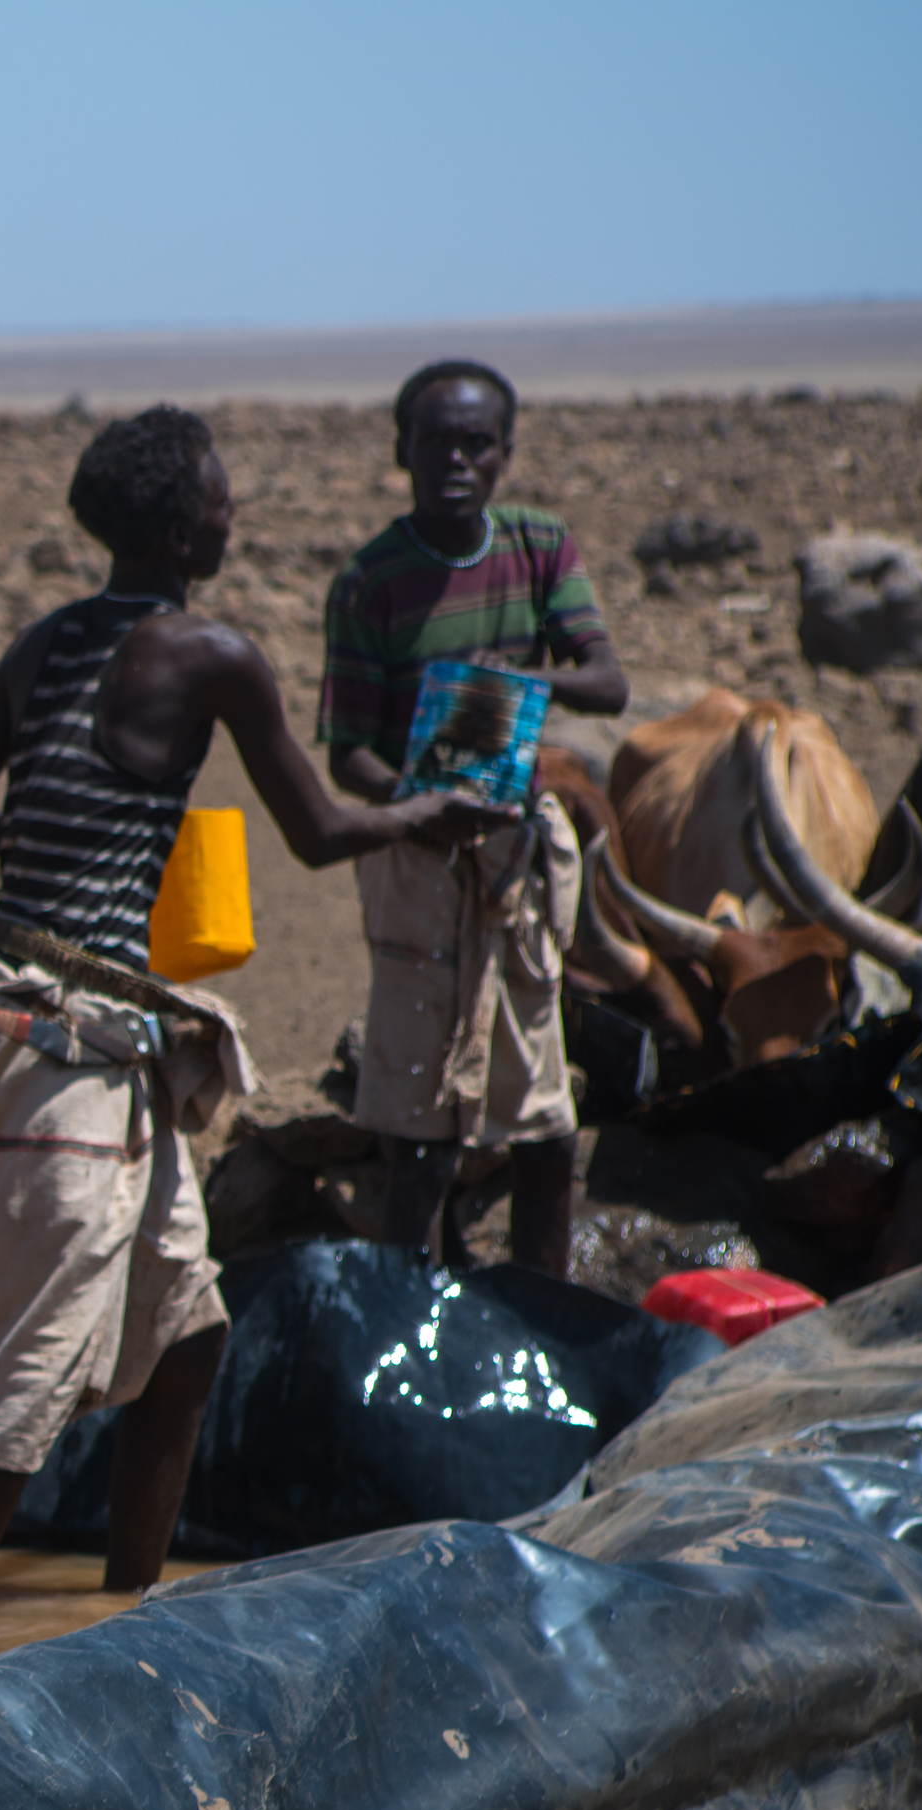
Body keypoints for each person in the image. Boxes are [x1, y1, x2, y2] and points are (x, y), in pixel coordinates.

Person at [0, 406, 488, 1633]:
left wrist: (61, 823)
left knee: (189, 1328)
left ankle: (132, 1614)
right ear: (176, 522)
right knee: (31, 1359)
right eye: (218, 499)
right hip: (60, 1043)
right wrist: (424, 814)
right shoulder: (210, 654)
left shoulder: (42, 646)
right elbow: (321, 834)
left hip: (71, 1024)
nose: (232, 514)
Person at [318, 360, 631, 1275]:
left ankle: (541, 1318)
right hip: (419, 856)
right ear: (401, 452)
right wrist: (421, 806)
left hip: (513, 857)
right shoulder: (370, 581)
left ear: (505, 452)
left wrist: (518, 687)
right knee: (422, 1134)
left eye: (476, 443)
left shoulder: (538, 547)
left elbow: (607, 680)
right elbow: (348, 753)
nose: (457, 460)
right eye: (436, 443)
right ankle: (410, 1328)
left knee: (541, 1125)